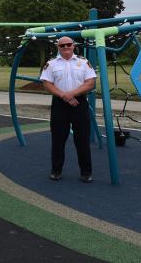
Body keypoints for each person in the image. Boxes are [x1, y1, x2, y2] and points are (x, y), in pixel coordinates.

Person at [40, 36, 97, 183]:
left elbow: (90, 83)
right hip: (60, 104)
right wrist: (64, 96)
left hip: (79, 103)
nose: (66, 47)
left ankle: (86, 172)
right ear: (58, 48)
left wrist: (72, 94)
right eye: (62, 45)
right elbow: (47, 84)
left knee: (82, 140)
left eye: (68, 45)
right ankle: (56, 171)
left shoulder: (83, 62)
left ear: (73, 46)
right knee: (58, 139)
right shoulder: (51, 64)